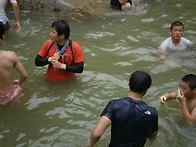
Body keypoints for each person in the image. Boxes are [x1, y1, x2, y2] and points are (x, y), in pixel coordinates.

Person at [86, 71, 158, 147]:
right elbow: (152, 137)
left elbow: (96, 133)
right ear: (146, 90)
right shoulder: (152, 112)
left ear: (129, 84)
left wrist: (91, 143)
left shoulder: (114, 105)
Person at [0, 24, 27, 105]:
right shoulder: (11, 55)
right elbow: (24, 75)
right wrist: (19, 82)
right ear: (2, 37)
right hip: (12, 95)